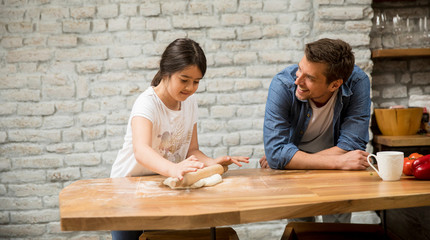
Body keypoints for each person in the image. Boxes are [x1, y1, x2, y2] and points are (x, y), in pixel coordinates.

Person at [110, 38, 249, 240]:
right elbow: (141, 151)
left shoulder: (189, 102)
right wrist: (174, 169)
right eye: (184, 80)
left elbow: (191, 149)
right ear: (166, 73)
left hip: (162, 189)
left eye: (196, 82)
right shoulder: (146, 104)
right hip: (129, 192)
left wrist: (211, 163)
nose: (190, 88)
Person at [260, 38, 371, 223]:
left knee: (337, 230)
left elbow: (352, 145)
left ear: (335, 85)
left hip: (316, 167)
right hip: (330, 162)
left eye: (309, 78)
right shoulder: (283, 84)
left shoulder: (358, 82)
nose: (298, 80)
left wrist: (288, 159)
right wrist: (339, 162)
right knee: (300, 227)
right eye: (300, 69)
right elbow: (276, 153)